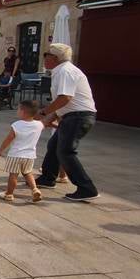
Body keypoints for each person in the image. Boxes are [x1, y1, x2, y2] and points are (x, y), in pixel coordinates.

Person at [35, 43, 100, 202]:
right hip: (72, 115)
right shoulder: (60, 71)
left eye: (46, 54)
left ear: (55, 58)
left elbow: (65, 98)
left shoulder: (65, 71)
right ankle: (48, 178)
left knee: (65, 151)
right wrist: (45, 120)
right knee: (54, 146)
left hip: (78, 117)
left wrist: (44, 112)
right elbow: (64, 103)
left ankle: (87, 188)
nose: (44, 58)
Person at [0, 100, 44, 203]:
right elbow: (47, 123)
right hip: (30, 156)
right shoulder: (39, 125)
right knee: (28, 173)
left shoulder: (17, 125)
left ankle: (9, 194)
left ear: (23, 112)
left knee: (13, 175)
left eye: (18, 109)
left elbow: (9, 138)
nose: (17, 111)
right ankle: (35, 189)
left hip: (15, 155)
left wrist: (0, 150)